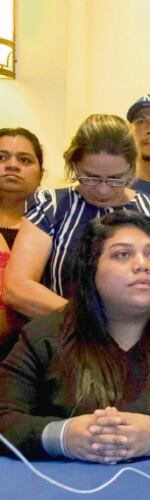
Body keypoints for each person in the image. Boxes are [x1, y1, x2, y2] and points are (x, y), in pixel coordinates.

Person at [0, 212, 150, 461]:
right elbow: (5, 418)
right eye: (122, 254)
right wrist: (63, 436)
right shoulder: (44, 336)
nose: (143, 265)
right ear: (91, 268)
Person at [4, 115, 150, 320]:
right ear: (74, 165)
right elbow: (17, 288)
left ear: (132, 169)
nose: (103, 190)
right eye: (91, 177)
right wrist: (95, 324)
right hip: (65, 337)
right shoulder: (51, 205)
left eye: (115, 179)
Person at [0, 128, 44, 356]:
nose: (12, 166)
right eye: (1, 157)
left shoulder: (54, 232)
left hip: (37, 357)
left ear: (41, 174)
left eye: (24, 160)